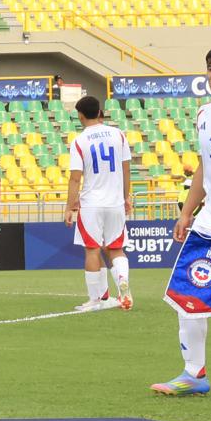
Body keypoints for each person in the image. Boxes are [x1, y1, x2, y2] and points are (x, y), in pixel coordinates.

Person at [153, 45, 211, 397]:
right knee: (188, 295)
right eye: (210, 68)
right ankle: (194, 374)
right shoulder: (204, 114)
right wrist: (187, 211)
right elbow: (205, 166)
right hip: (208, 221)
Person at [65, 94, 134, 311]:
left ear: (80, 115)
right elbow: (125, 169)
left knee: (92, 250)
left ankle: (95, 300)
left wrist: (69, 206)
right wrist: (126, 197)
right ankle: (121, 283)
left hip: (92, 203)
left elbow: (75, 177)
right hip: (115, 202)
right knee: (116, 249)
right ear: (100, 112)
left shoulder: (79, 141)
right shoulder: (118, 135)